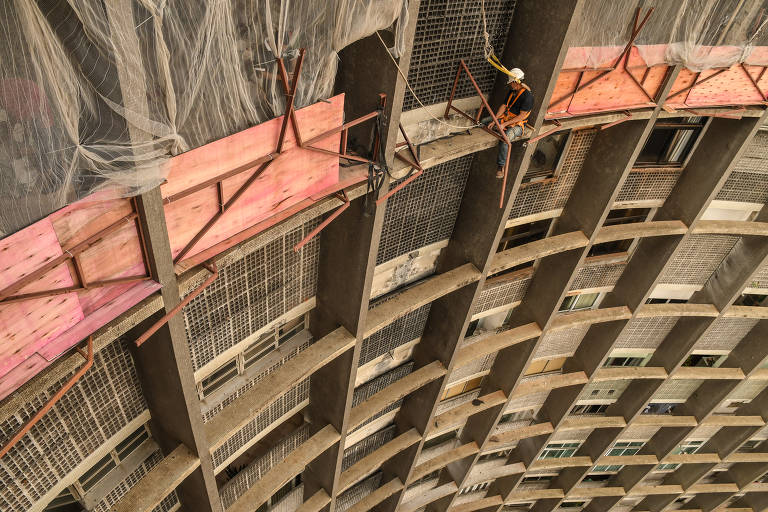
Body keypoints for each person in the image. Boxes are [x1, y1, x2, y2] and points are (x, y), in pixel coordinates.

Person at [481, 68, 533, 178]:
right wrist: (495, 119)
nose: (509, 85)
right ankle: (496, 126)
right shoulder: (513, 91)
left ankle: (501, 167)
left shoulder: (528, 97)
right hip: (506, 118)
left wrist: (503, 125)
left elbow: (521, 116)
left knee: (506, 138)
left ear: (515, 82)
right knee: (484, 121)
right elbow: (504, 105)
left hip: (517, 124)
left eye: (510, 83)